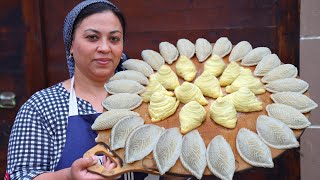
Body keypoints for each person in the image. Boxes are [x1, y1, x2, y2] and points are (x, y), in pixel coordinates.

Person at [5, 0, 148, 179]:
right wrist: (68, 177)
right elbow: (20, 176)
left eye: (114, 39)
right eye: (92, 37)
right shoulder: (41, 107)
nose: (105, 48)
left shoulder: (145, 99)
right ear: (71, 45)